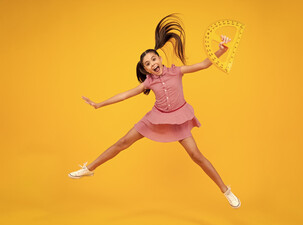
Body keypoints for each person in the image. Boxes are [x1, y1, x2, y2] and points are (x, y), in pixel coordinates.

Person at [68, 13, 241, 208]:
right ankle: (89, 168)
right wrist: (99, 104)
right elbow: (124, 95)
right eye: (147, 64)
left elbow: (203, 64)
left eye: (153, 59)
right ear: (147, 70)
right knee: (123, 142)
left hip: (179, 119)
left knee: (196, 156)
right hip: (155, 119)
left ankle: (226, 191)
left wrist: (221, 50)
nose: (152, 64)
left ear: (159, 58)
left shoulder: (177, 71)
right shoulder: (148, 82)